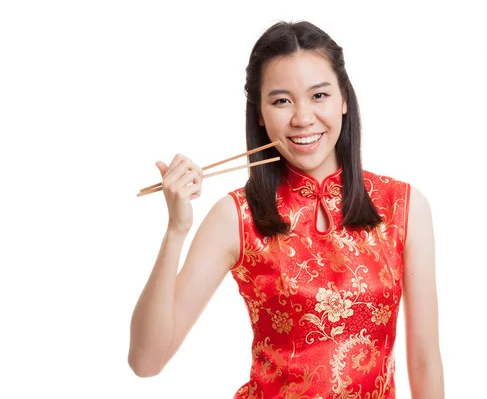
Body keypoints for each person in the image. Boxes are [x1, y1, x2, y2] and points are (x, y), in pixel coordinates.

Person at [128, 20, 444, 398]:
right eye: (281, 100)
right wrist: (176, 231)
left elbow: (424, 360)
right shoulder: (236, 216)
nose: (303, 118)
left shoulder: (403, 206)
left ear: (344, 99)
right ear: (259, 113)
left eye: (319, 95)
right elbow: (146, 362)